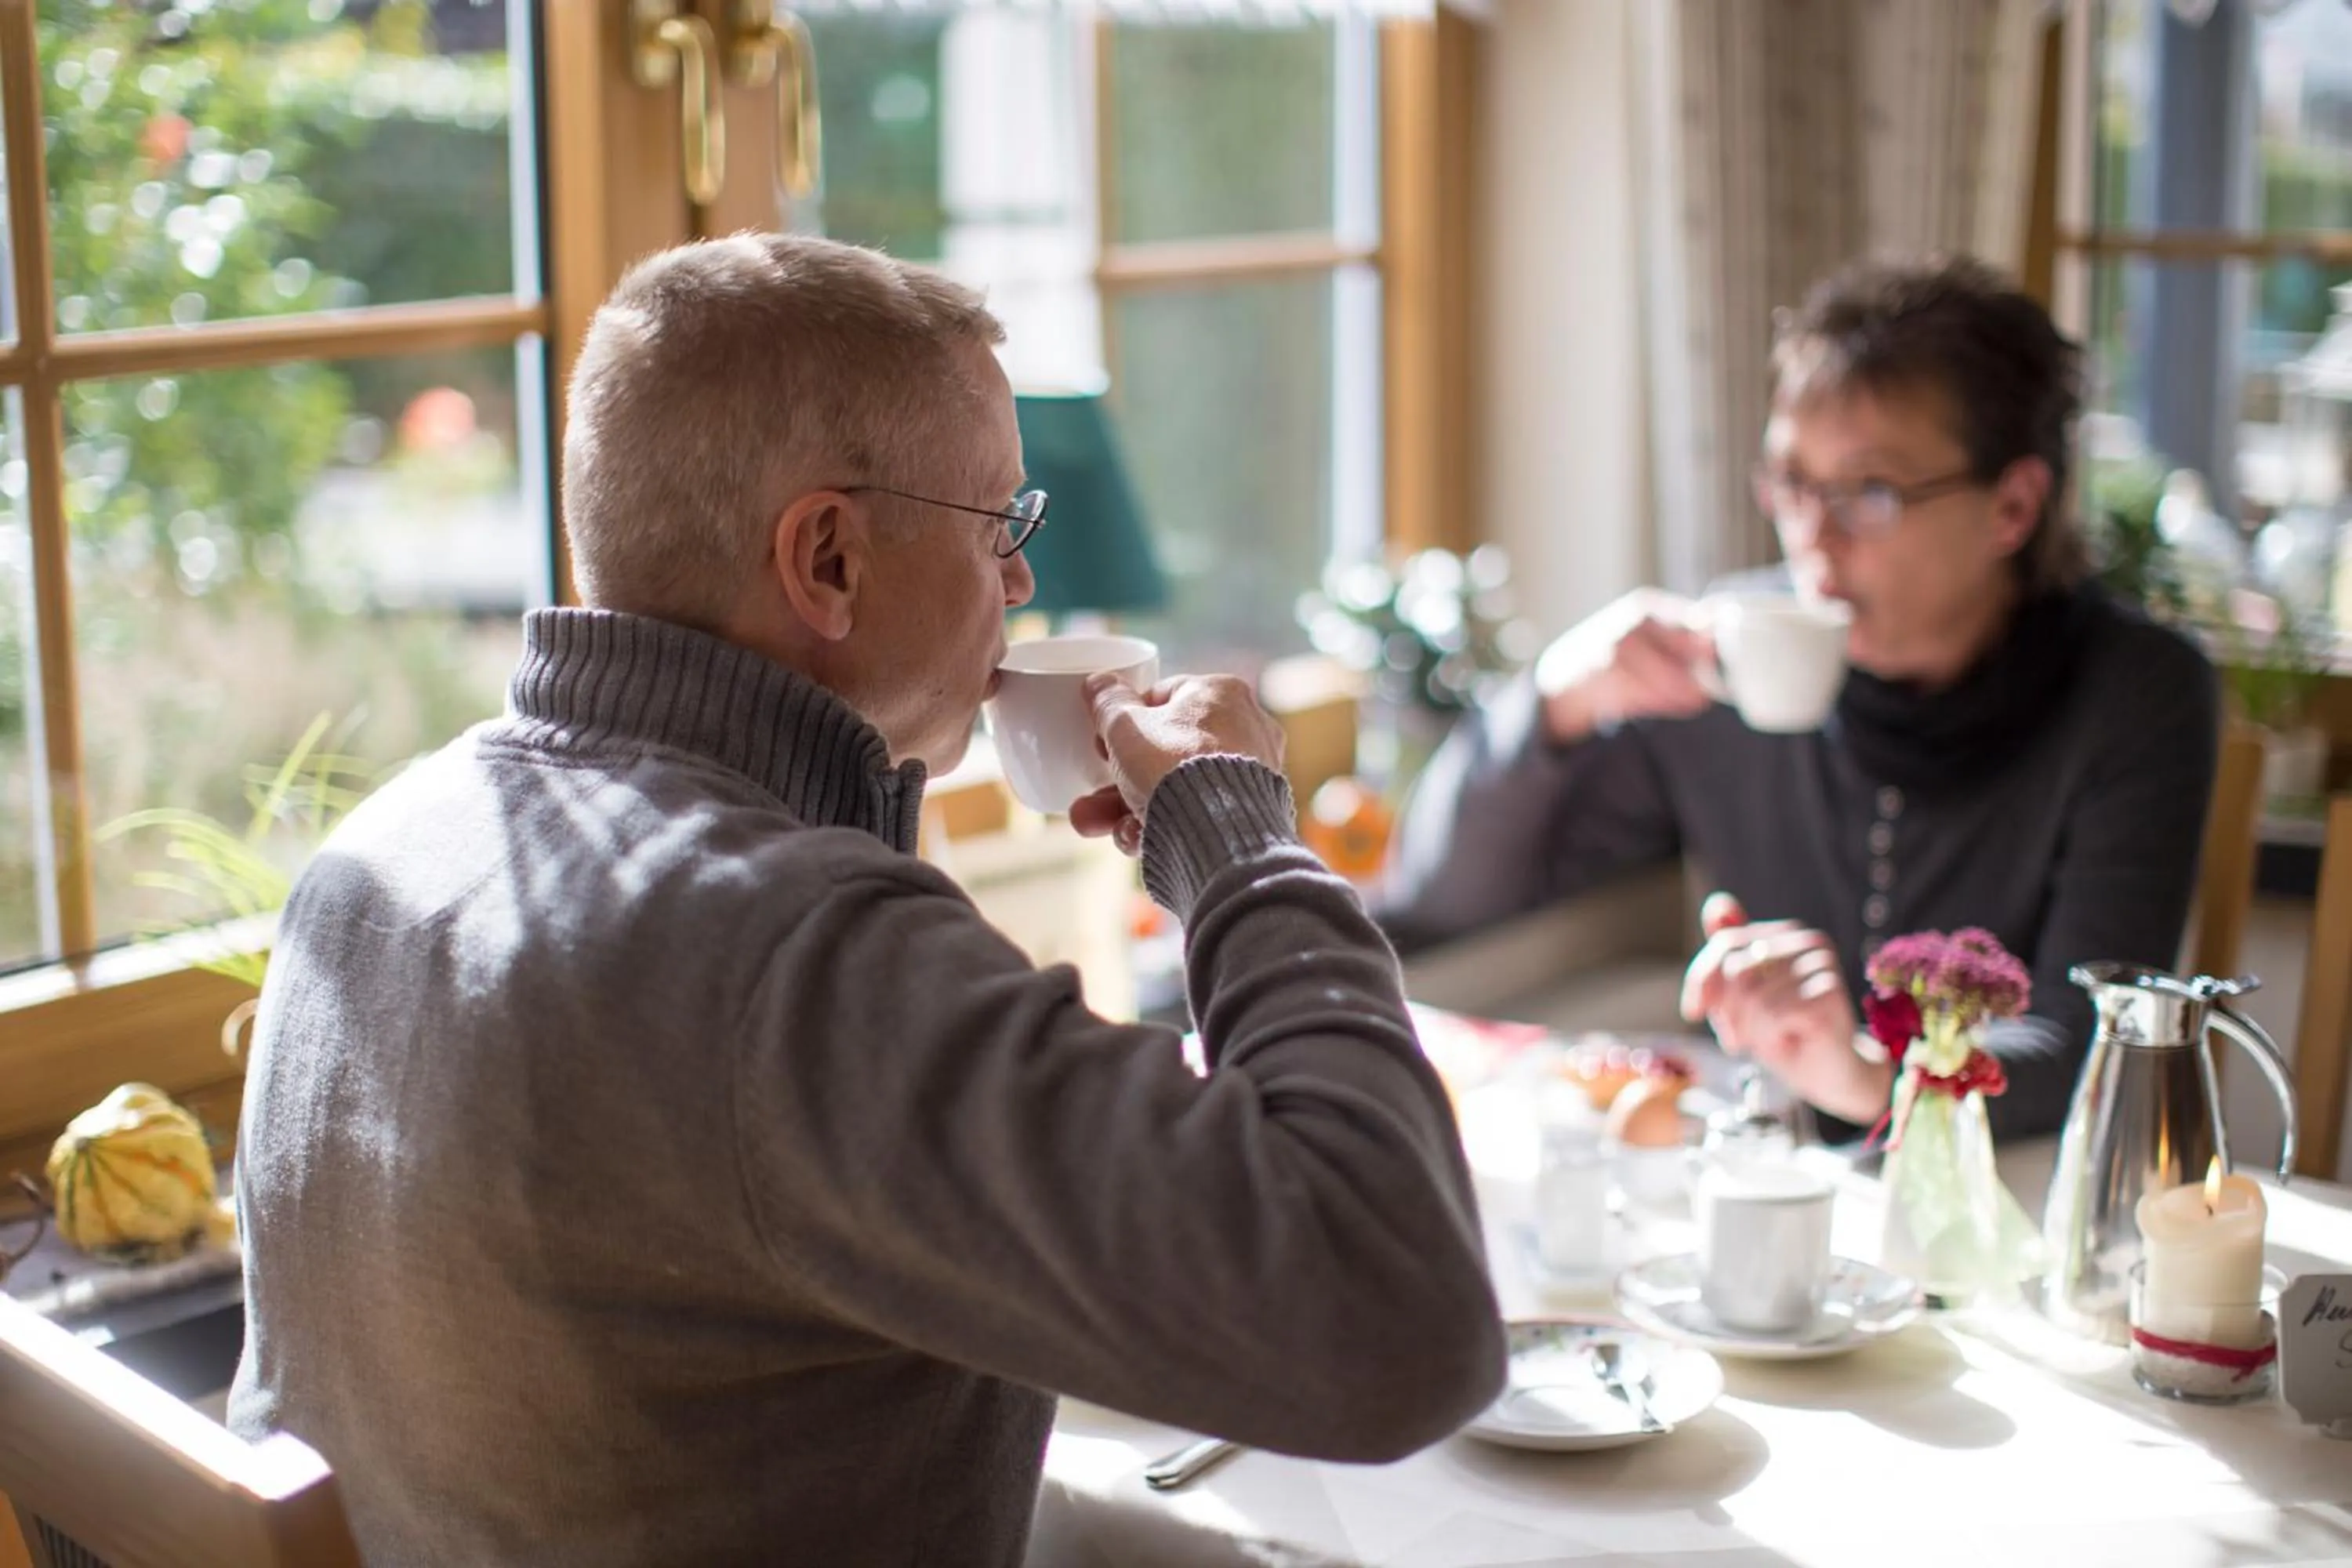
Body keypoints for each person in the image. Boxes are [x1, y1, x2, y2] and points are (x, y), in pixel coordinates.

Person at [227, 234, 1505, 1568]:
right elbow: (1396, 1321)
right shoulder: (781, 955)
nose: (1021, 584)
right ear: (828, 556)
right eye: (1001, 524)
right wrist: (1233, 828)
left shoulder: (373, 857)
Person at [1382, 255, 2218, 1143]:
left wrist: (1861, 1073)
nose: (1812, 540)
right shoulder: (1732, 654)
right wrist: (1555, 695)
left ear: (2012, 505)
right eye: (1792, 483)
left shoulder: (2135, 693)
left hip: (2002, 1211)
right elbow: (1446, 896)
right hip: (1770, 1190)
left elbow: (2089, 1050)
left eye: (1871, 493)